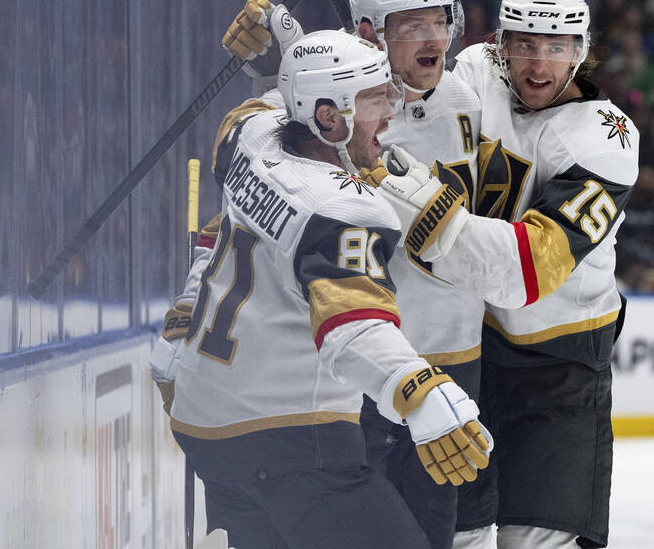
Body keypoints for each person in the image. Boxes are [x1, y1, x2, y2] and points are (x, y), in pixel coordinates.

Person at [148, 30, 491, 549]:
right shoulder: (343, 208)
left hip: (205, 423)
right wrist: (419, 391)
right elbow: (351, 325)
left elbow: (275, 102)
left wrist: (291, 45)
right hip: (288, 437)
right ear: (329, 116)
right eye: (376, 98)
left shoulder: (247, 132)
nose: (391, 111)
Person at [374, 0, 639, 548]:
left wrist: (426, 203)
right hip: (471, 356)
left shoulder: (606, 140)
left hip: (558, 373)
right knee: (455, 536)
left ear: (581, 50)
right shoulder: (471, 72)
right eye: (524, 44)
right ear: (501, 42)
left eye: (556, 47)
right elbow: (382, 92)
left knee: (533, 543)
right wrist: (289, 62)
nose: (538, 66)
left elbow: (528, 272)